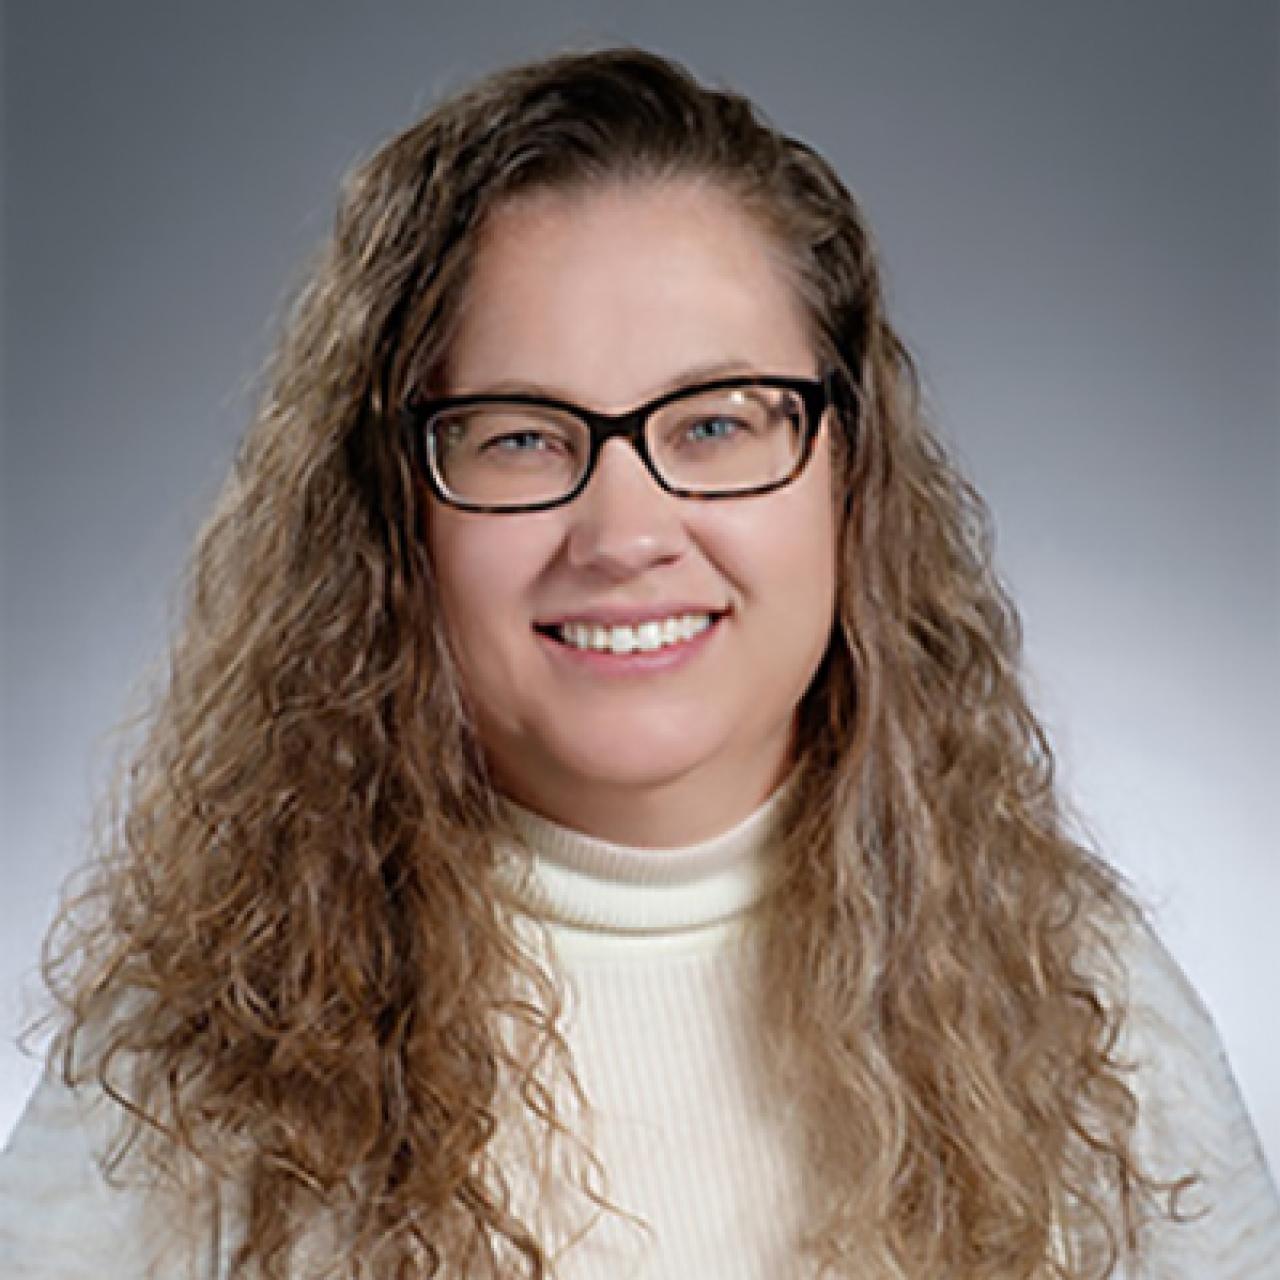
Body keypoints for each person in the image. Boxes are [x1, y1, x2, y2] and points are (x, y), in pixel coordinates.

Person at [1, 45, 1277, 1280]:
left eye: (716, 422)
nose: (622, 536)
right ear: (396, 513)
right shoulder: (193, 1061)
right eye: (518, 438)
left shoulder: (1078, 998)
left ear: (849, 467)